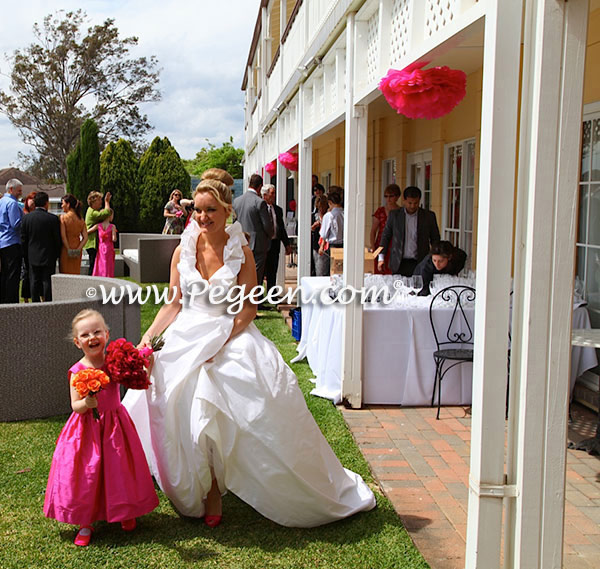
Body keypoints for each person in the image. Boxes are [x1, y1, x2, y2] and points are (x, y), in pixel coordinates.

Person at [123, 178, 375, 528]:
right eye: (198, 209)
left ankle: (214, 489)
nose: (203, 216)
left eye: (211, 210)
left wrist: (220, 342)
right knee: (167, 397)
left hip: (229, 332)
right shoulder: (183, 251)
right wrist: (148, 340)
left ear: (227, 211)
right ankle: (189, 480)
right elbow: (173, 304)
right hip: (187, 334)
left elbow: (248, 310)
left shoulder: (240, 252)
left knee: (224, 399)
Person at [44, 309, 158, 546]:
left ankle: (125, 512)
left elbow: (135, 382)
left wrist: (146, 365)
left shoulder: (114, 363)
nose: (92, 337)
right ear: (77, 342)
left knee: (120, 469)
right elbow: (75, 405)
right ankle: (85, 522)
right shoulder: (77, 371)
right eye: (85, 335)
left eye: (97, 332)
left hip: (115, 425)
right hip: (87, 430)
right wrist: (86, 403)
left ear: (107, 334)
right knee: (87, 474)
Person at [378, 186, 440, 276]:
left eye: (416, 203)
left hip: (420, 261)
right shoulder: (394, 215)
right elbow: (385, 237)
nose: (412, 206)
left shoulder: (428, 216)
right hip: (399, 262)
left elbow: (435, 238)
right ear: (404, 200)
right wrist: (381, 258)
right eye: (409, 203)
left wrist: (435, 258)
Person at [233, 173, 274, 287]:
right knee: (256, 275)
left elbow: (234, 222)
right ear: (260, 186)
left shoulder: (237, 201)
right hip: (257, 244)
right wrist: (270, 235)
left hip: (241, 242)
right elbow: (267, 225)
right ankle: (255, 302)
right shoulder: (259, 202)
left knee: (241, 273)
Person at [20, 191, 61, 302]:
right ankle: (47, 303)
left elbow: (23, 239)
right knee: (47, 281)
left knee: (34, 281)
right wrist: (57, 254)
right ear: (46, 203)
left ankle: (35, 303)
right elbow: (57, 239)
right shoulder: (53, 219)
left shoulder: (26, 219)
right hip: (49, 255)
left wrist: (25, 254)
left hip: (32, 255)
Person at [261, 184, 291, 295]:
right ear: (265, 195)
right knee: (261, 271)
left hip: (275, 244)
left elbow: (281, 228)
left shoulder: (278, 210)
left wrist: (287, 245)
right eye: (272, 193)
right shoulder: (260, 208)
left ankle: (271, 295)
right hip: (263, 245)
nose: (274, 196)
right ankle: (259, 297)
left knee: (273, 271)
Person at [0, 178, 24, 303]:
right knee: (13, 275)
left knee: (4, 273)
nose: (20, 193)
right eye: (18, 191)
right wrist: (25, 219)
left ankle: (3, 299)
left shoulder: (1, 201)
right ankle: (11, 301)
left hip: (2, 242)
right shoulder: (12, 203)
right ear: (11, 189)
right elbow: (16, 224)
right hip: (12, 242)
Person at [369, 184, 401, 274]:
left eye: (391, 196)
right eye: (386, 196)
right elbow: (373, 230)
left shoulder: (401, 211)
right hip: (381, 243)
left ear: (397, 197)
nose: (388, 199)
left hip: (395, 243)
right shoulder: (380, 211)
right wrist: (373, 246)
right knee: (379, 269)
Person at [59, 194, 88, 275]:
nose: (62, 206)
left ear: (68, 204)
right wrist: (78, 248)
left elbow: (63, 236)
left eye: (63, 203)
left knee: (65, 273)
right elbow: (85, 237)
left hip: (66, 247)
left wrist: (68, 248)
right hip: (77, 246)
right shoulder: (81, 219)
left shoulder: (63, 218)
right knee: (75, 273)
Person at [85, 191, 112, 276]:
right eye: (99, 200)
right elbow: (107, 213)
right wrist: (107, 202)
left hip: (91, 243)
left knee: (94, 263)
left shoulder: (91, 211)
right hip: (91, 243)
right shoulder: (93, 213)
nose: (101, 202)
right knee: (93, 264)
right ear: (93, 202)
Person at [318, 190, 344, 267]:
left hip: (333, 245)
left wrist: (322, 246)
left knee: (333, 268)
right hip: (345, 245)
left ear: (330, 202)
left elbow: (324, 234)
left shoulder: (329, 215)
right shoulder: (346, 213)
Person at [20, 192, 37, 302]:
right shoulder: (23, 215)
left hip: (35, 248)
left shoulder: (38, 215)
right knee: (26, 274)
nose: (32, 201)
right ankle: (26, 298)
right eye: (31, 199)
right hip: (26, 248)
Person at [91, 210, 117, 278]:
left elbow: (88, 231)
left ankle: (100, 275)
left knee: (100, 263)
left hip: (101, 247)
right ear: (109, 216)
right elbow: (114, 239)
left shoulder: (98, 225)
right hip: (109, 247)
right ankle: (108, 276)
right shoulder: (112, 226)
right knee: (108, 263)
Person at [312, 195, 330, 276]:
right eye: (319, 208)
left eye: (323, 207)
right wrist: (313, 227)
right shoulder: (314, 216)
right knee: (319, 270)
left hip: (328, 246)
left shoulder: (329, 216)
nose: (321, 210)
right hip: (317, 246)